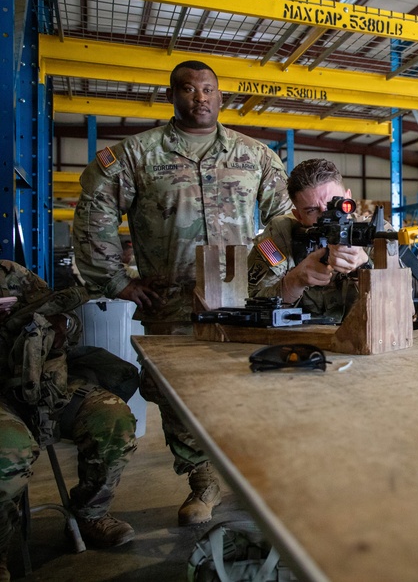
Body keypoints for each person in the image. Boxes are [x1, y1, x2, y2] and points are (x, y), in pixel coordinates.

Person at [72, 60, 292, 527]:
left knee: (246, 390)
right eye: (189, 89)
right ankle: (203, 480)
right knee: (175, 397)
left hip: (242, 303)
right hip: (171, 304)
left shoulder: (254, 155)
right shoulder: (138, 154)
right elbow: (94, 207)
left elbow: (281, 223)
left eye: (209, 89)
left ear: (220, 95)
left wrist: (274, 270)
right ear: (172, 95)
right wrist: (115, 280)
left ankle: (254, 477)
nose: (200, 97)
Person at [0, 261, 138, 580]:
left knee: (111, 418)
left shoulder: (14, 275)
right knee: (8, 448)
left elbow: (69, 320)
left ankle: (91, 514)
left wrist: (62, 325)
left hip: (49, 385)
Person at [248, 159, 370, 321]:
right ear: (298, 215)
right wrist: (294, 282)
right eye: (312, 210)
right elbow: (252, 306)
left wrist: (365, 265)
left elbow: (404, 305)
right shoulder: (281, 233)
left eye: (334, 205)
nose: (327, 215)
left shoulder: (374, 232)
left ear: (348, 198)